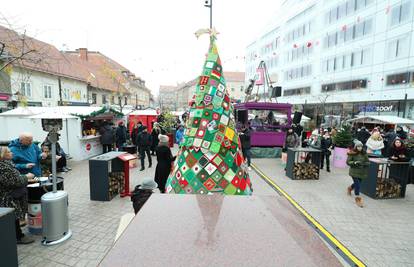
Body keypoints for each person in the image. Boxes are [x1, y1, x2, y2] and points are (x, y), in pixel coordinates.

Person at [0, 146, 35, 244]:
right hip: (8, 197)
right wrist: (26, 177)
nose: (12, 153)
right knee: (13, 218)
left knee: (14, 217)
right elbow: (14, 181)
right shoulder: (3, 167)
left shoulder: (7, 164)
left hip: (11, 195)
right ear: (2, 156)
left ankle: (17, 235)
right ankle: (18, 237)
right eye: (9, 152)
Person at [346, 140, 369, 208]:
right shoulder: (352, 153)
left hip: (362, 171)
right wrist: (355, 162)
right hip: (354, 171)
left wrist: (364, 164)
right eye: (358, 146)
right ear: (356, 147)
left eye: (361, 146)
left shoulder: (364, 153)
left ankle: (350, 188)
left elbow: (368, 162)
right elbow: (348, 162)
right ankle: (358, 198)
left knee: (358, 183)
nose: (359, 148)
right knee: (358, 184)